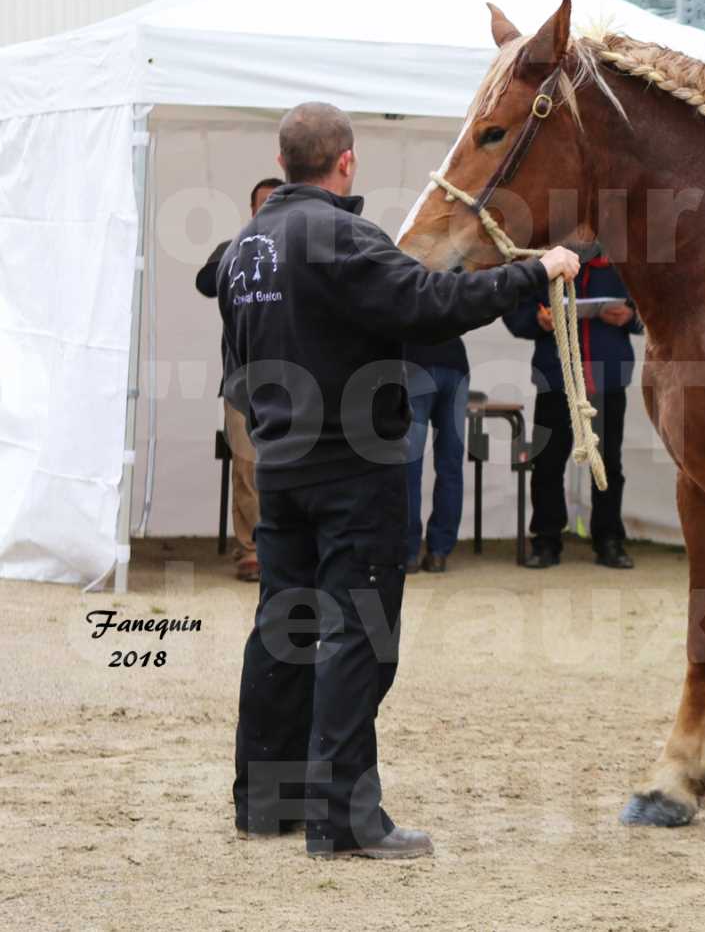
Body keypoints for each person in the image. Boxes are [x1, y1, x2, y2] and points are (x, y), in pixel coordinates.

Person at [222, 101, 580, 860]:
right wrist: (534, 271)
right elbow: (432, 305)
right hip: (354, 471)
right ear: (344, 161)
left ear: (284, 162)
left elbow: (236, 364)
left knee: (283, 631)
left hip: (281, 466)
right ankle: (344, 820)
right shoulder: (344, 235)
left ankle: (266, 802)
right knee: (360, 637)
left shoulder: (247, 245)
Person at [503, 242, 640, 570]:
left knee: (607, 464)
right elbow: (516, 312)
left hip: (607, 378)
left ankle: (609, 540)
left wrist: (630, 316)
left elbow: (654, 307)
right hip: (556, 378)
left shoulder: (623, 259)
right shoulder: (543, 258)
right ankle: (547, 541)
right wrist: (539, 319)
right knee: (547, 463)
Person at [196, 177, 282, 581]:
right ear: (251, 210)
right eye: (261, 204)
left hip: (297, 384)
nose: (268, 209)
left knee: (293, 467)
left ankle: (288, 550)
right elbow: (205, 283)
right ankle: (251, 550)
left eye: (275, 202)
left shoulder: (305, 251)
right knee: (247, 466)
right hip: (242, 384)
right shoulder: (235, 249)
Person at [403, 337, 468, 574]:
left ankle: (408, 552)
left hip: (416, 362)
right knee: (450, 465)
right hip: (455, 364)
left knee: (409, 465)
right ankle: (439, 552)